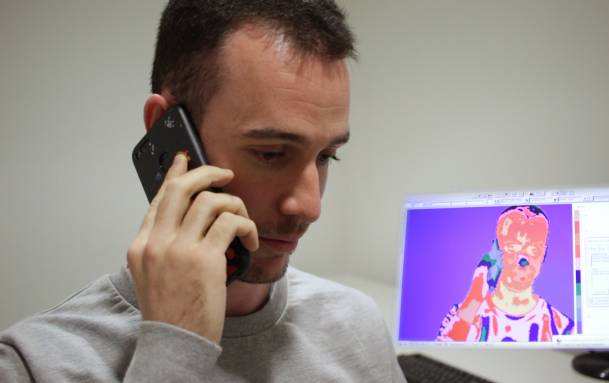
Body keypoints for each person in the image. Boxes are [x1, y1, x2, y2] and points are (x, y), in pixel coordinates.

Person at [0, 1, 406, 381]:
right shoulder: (32, 363)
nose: (310, 205)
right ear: (165, 128)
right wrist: (173, 352)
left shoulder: (357, 324)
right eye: (270, 153)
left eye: (326, 156)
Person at [437, 205, 574, 342]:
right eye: (513, 245)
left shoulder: (561, 327)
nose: (523, 259)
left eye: (534, 248)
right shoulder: (464, 314)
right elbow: (442, 354)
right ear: (496, 249)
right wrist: (475, 296)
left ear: (544, 254)